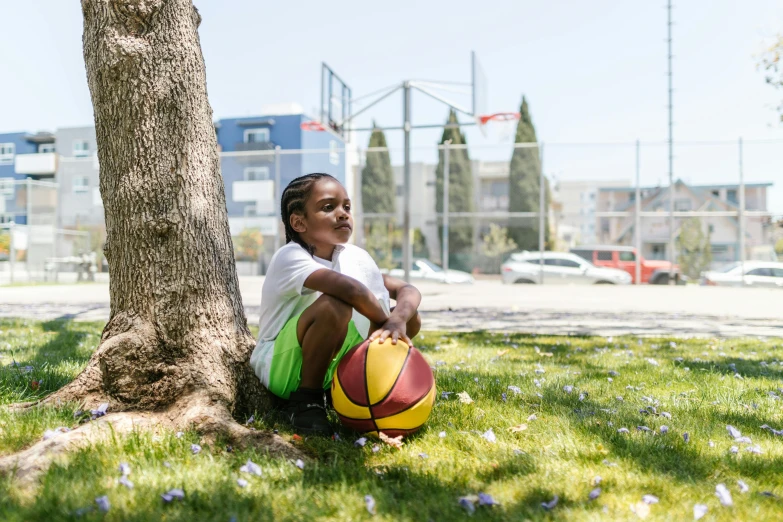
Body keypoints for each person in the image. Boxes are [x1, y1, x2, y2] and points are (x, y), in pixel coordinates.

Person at [250, 173, 422, 435]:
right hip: (280, 365)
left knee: (410, 316)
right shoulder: (290, 256)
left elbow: (407, 290)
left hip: (332, 367)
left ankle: (354, 390)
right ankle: (306, 401)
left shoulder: (356, 257)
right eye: (328, 207)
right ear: (298, 222)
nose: (343, 214)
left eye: (347, 207)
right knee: (335, 306)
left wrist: (398, 320)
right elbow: (349, 290)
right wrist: (384, 322)